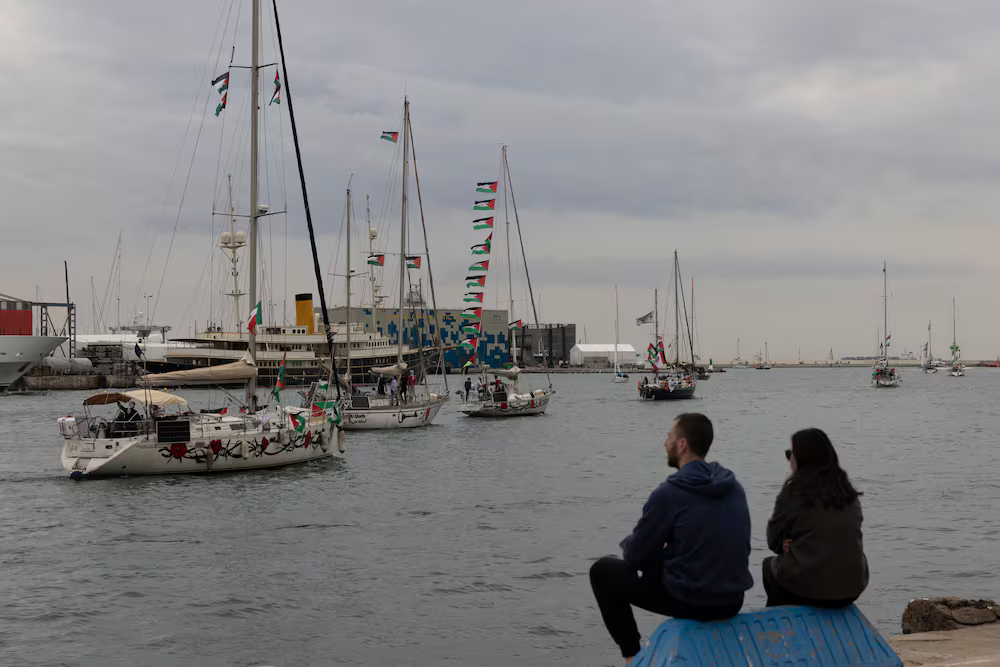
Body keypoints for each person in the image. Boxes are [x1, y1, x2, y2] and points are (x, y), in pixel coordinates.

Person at [590, 413, 752, 663]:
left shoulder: (670, 493)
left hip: (697, 602)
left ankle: (632, 658)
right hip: (733, 600)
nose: (665, 443)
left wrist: (651, 547)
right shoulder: (733, 486)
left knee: (602, 572)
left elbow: (634, 558)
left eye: (669, 437)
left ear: (682, 444)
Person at [763, 428, 868, 608]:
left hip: (813, 591)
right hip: (852, 588)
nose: (789, 460)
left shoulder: (793, 493)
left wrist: (786, 544)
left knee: (769, 567)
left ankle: (783, 627)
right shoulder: (848, 493)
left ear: (801, 459)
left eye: (790, 454)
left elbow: (773, 541)